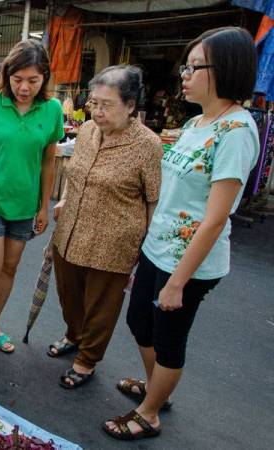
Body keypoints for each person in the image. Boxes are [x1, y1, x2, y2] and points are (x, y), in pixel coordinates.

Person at [104, 27, 260, 440]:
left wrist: (177, 282)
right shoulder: (197, 122)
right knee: (140, 322)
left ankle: (150, 412)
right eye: (185, 67)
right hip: (159, 249)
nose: (184, 76)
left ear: (224, 69)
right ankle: (158, 388)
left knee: (169, 338)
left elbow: (215, 218)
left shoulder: (237, 131)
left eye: (194, 67)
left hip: (190, 264)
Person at [50, 65, 162, 389]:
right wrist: (64, 198)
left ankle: (86, 360)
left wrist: (147, 251)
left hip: (112, 243)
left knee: (101, 305)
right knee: (68, 295)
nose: (96, 111)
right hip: (70, 231)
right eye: (93, 103)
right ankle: (74, 335)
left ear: (130, 105)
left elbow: (153, 200)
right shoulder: (86, 131)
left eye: (106, 104)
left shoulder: (147, 145)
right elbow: (76, 173)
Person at [0, 40, 64, 353]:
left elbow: (48, 161)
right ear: (7, 75)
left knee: (10, 268)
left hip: (23, 204)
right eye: (17, 79)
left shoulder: (51, 110)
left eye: (33, 81)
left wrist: (43, 207)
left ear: (45, 78)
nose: (24, 87)